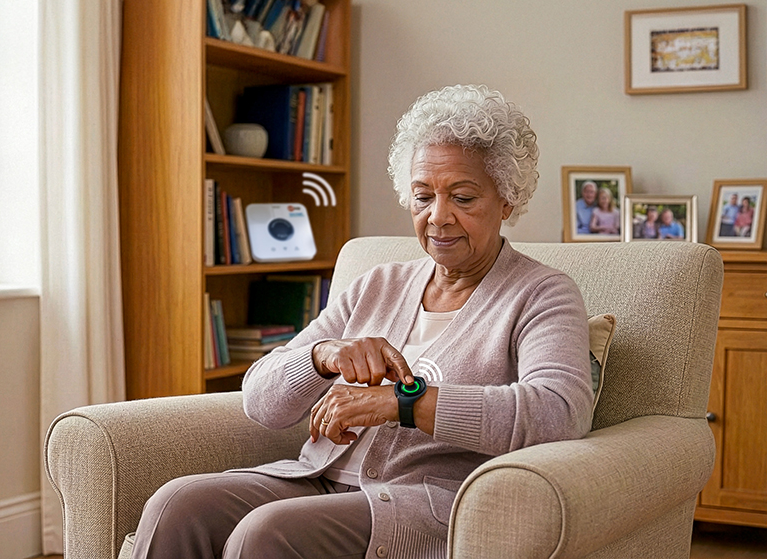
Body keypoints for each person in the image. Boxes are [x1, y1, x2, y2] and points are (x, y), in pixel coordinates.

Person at [130, 85, 594, 559]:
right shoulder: (379, 284)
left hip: (421, 502)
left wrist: (401, 403)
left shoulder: (541, 293)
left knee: (267, 531)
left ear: (507, 200)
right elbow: (260, 401)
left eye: (462, 197)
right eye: (422, 197)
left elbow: (559, 412)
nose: (438, 217)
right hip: (315, 480)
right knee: (177, 504)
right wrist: (321, 357)